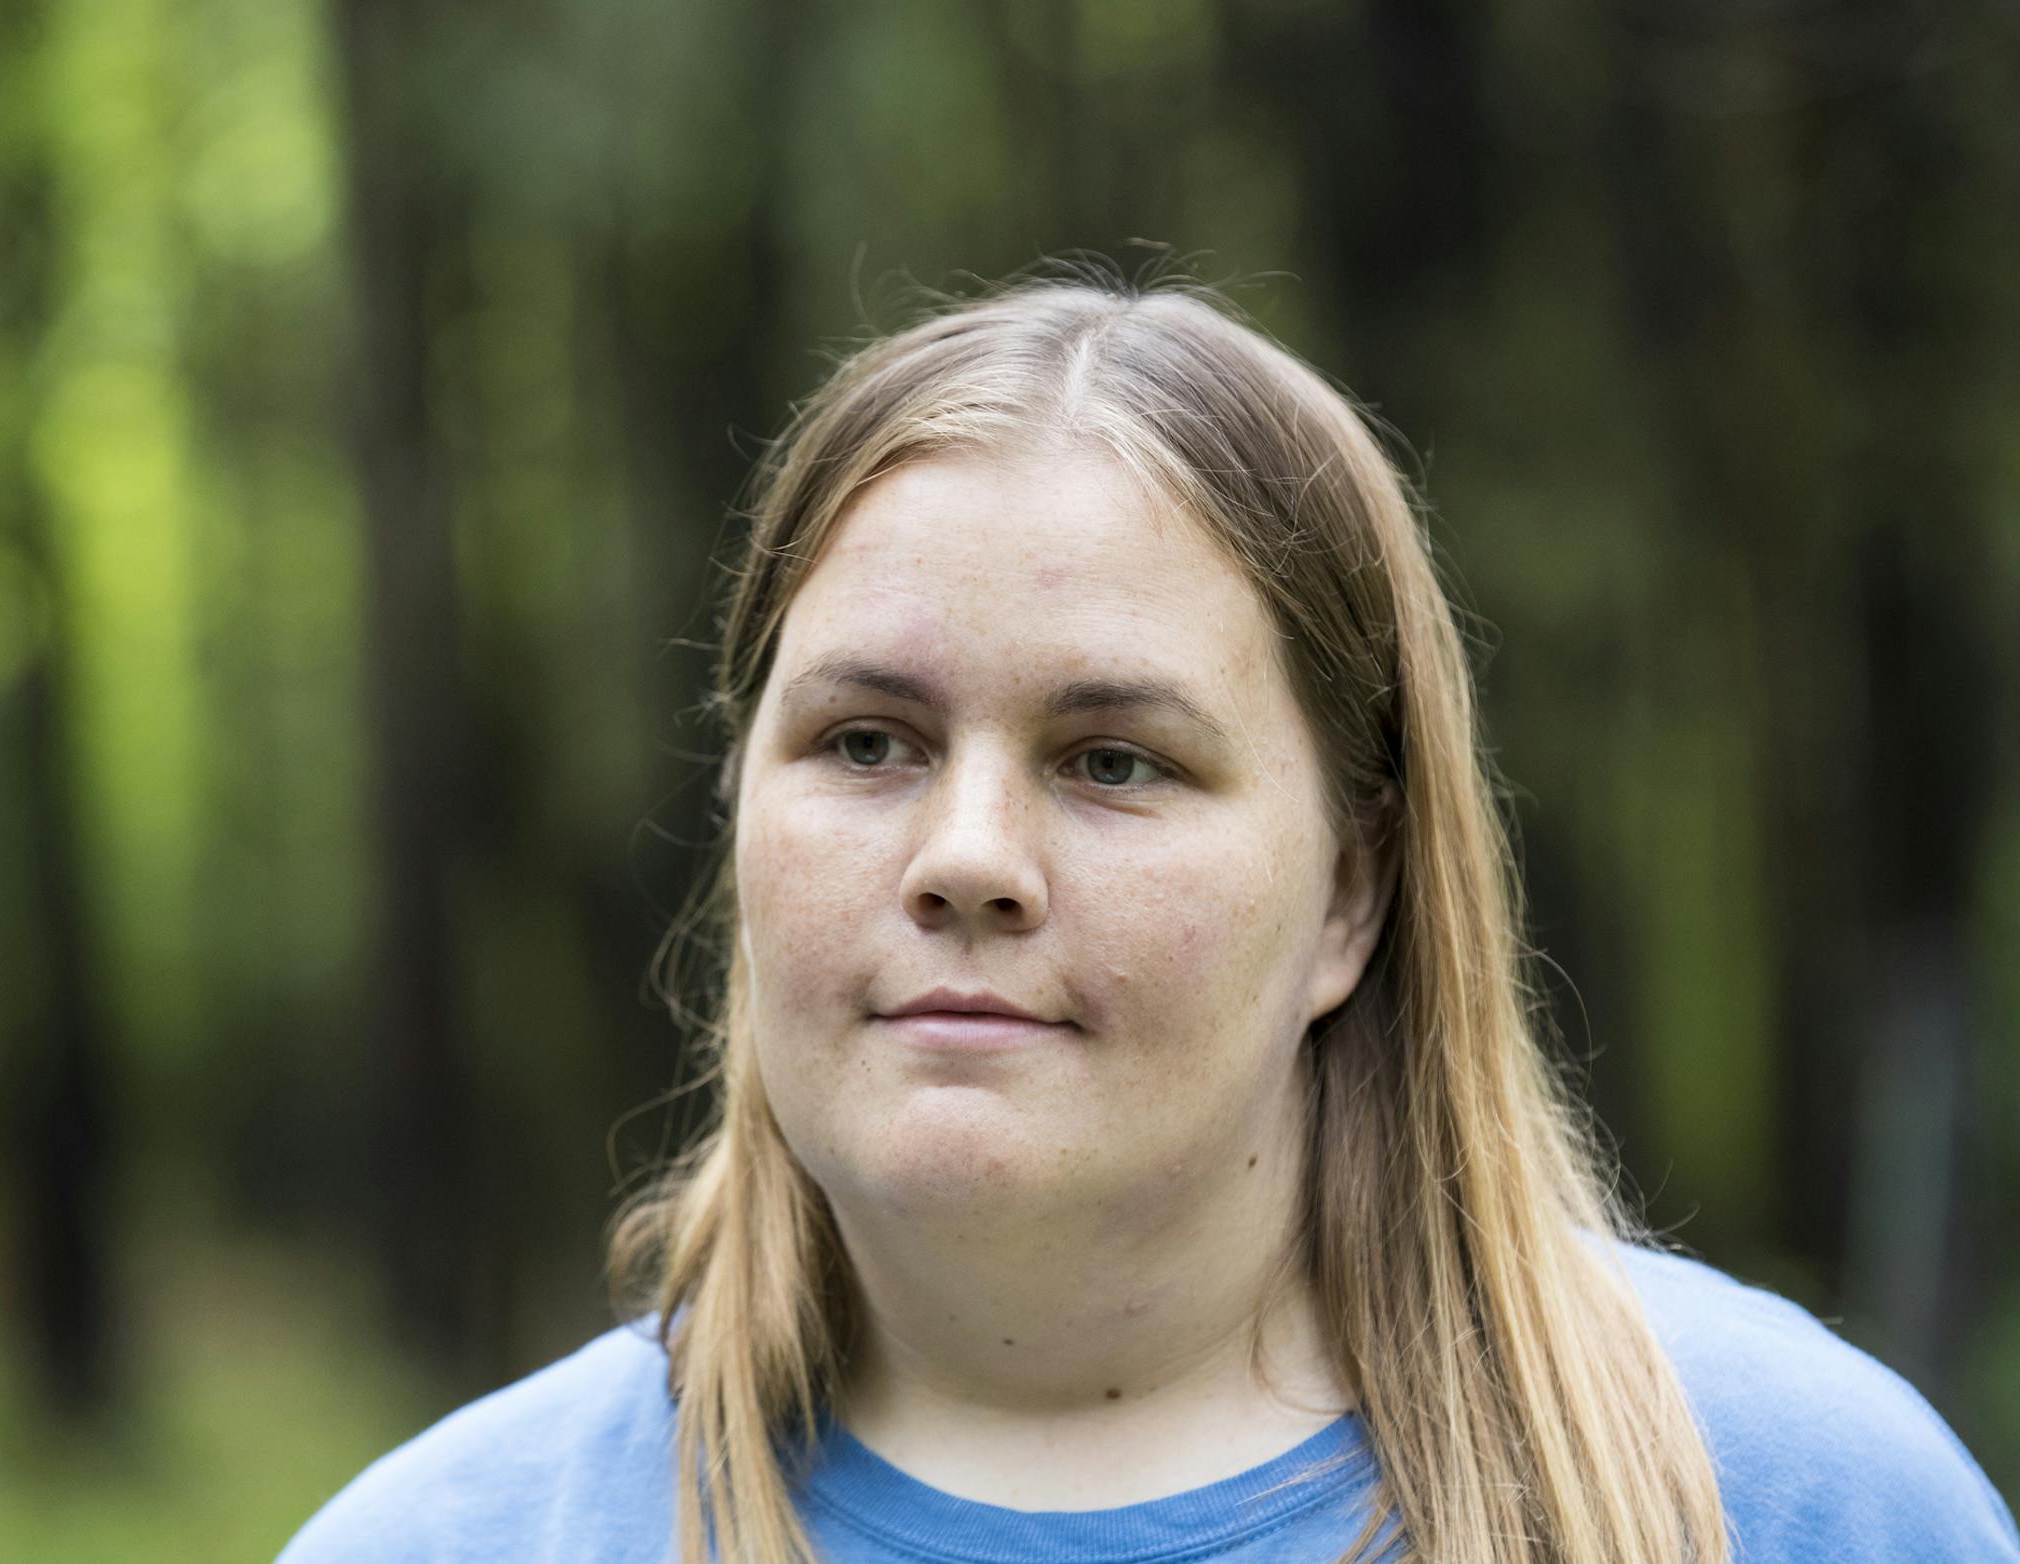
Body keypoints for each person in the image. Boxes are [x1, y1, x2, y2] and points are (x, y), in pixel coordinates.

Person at [277, 275, 2019, 1563]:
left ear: (1352, 893)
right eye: (864, 742)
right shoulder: (442, 1541)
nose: (968, 855)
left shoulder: (1794, 1503)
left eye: (1114, 760)